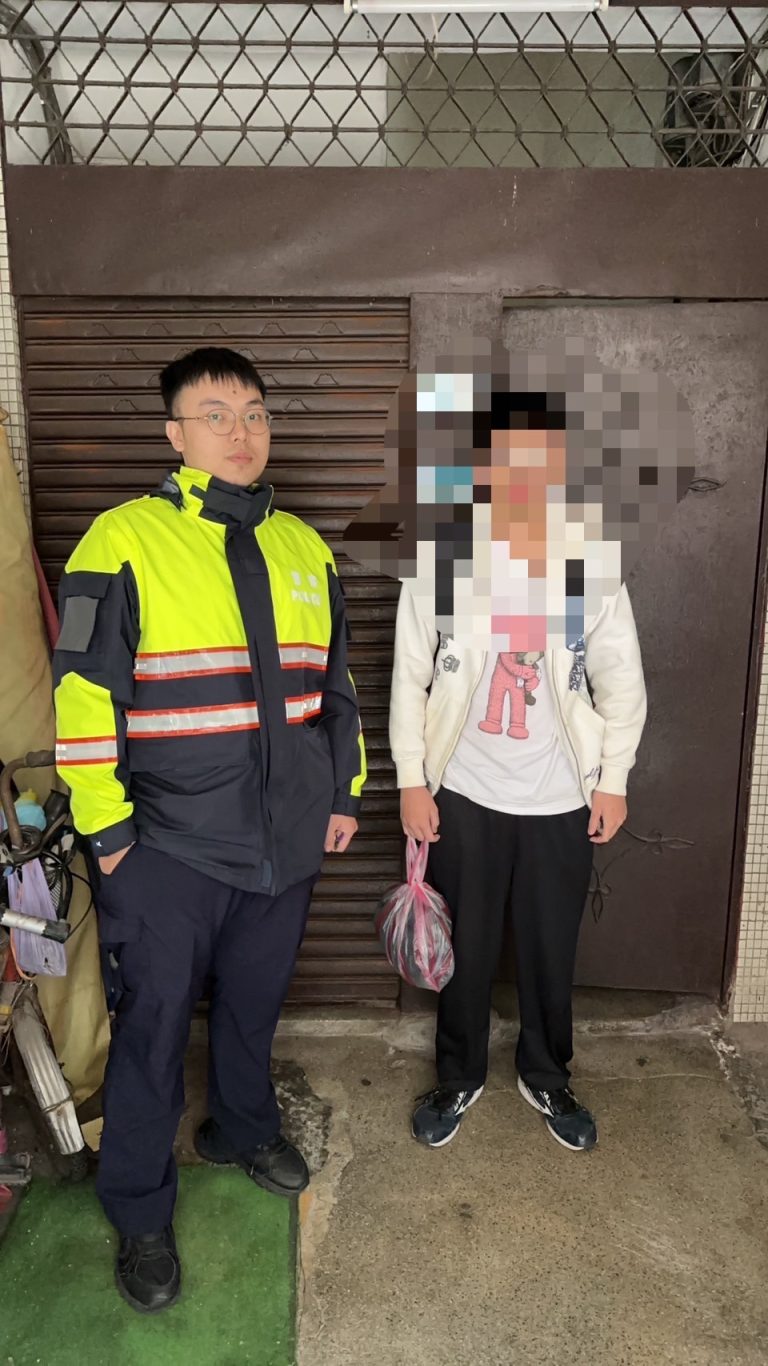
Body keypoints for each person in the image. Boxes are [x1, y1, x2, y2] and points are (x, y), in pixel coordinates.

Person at [53, 346, 366, 1313]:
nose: (242, 432)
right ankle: (140, 1207)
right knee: (151, 1033)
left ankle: (240, 1126)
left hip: (284, 843)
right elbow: (82, 692)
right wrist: (108, 834)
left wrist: (343, 793)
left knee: (252, 1007)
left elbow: (337, 687)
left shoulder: (305, 548)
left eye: (256, 413)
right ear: (176, 434)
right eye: (217, 415)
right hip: (166, 849)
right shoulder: (123, 540)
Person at [389, 391, 646, 1153]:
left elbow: (622, 682)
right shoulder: (438, 564)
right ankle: (457, 1074)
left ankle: (546, 1073)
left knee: (548, 948)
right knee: (464, 949)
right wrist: (411, 779)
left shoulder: (592, 569)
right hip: (463, 794)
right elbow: (408, 679)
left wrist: (613, 778)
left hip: (561, 797)